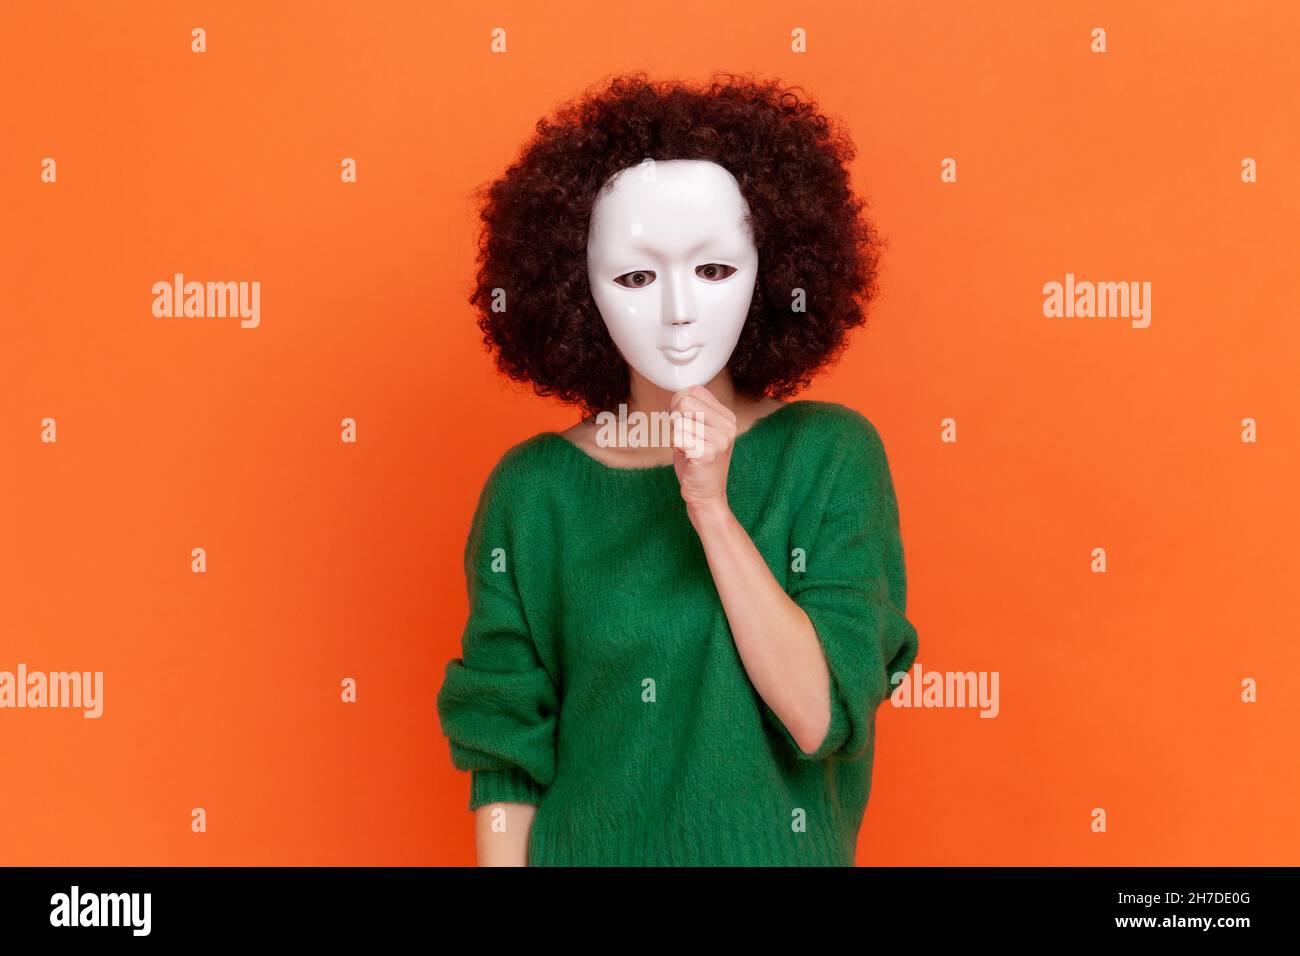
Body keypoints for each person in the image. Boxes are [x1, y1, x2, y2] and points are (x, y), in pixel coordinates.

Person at [436, 71, 919, 866]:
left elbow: (818, 713)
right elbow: (504, 759)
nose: (678, 310)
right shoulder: (532, 494)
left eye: (714, 270)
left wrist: (711, 508)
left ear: (774, 267)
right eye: (634, 276)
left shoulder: (831, 457)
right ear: (575, 288)